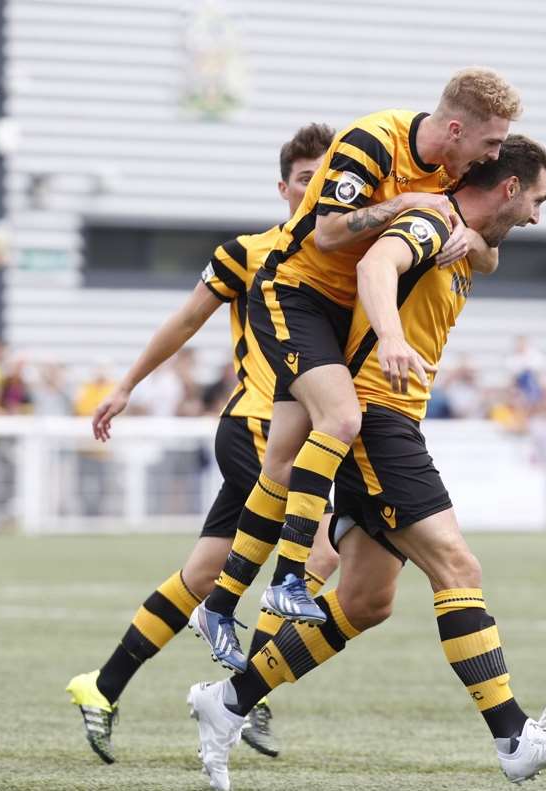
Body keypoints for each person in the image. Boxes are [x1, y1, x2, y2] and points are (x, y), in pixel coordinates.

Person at [187, 135, 546, 791]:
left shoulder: (464, 232)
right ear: (510, 188)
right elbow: (377, 267)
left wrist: (481, 244)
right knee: (457, 565)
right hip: (375, 418)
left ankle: (230, 699)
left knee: (365, 600)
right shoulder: (432, 218)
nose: (538, 218)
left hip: (392, 419)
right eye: (538, 201)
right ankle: (514, 735)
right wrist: (392, 336)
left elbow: (483, 254)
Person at [193, 68, 521, 671]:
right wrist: (407, 203)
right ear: (455, 128)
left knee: (284, 460)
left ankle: (219, 603)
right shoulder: (374, 140)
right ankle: (289, 578)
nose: (495, 155)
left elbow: (486, 239)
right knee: (340, 419)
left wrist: (473, 243)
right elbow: (325, 234)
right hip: (295, 294)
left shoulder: (456, 170)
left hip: (337, 317)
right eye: (492, 143)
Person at [65, 123, 341, 764]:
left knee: (202, 573)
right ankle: (244, 693)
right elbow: (188, 317)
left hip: (300, 431)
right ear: (283, 188)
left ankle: (101, 687)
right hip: (257, 428)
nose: (317, 188)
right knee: (321, 552)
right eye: (305, 178)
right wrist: (126, 384)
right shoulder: (249, 253)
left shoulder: (351, 256)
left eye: (326, 178)